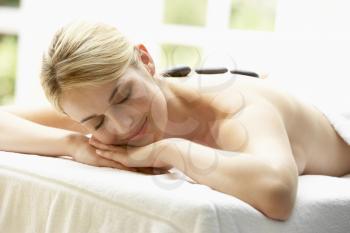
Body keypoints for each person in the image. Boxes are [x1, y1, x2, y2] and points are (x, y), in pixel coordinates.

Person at [1, 21, 350, 221]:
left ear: (146, 60)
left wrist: (169, 150)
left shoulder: (234, 108)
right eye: (95, 123)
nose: (122, 126)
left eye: (123, 95)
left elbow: (277, 193)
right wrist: (73, 145)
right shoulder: (98, 110)